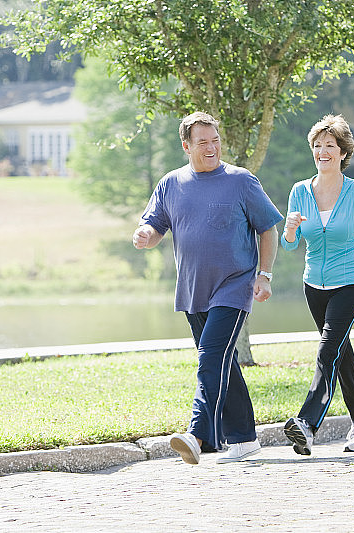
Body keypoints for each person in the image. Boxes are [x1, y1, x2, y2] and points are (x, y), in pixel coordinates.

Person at [133, 111, 283, 465]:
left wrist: (264, 275)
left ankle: (197, 435)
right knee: (223, 362)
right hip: (192, 290)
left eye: (215, 140)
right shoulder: (171, 184)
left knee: (211, 357)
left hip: (234, 286)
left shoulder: (241, 181)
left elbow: (268, 228)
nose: (212, 147)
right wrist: (145, 235)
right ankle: (244, 439)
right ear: (186, 146)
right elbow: (154, 225)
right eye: (203, 142)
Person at [280, 114, 354, 455]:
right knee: (340, 354)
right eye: (317, 146)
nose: (323, 152)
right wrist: (290, 229)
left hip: (350, 282)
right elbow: (289, 245)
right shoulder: (300, 191)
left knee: (327, 351)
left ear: (343, 152)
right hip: (313, 285)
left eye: (330, 146)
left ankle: (307, 424)